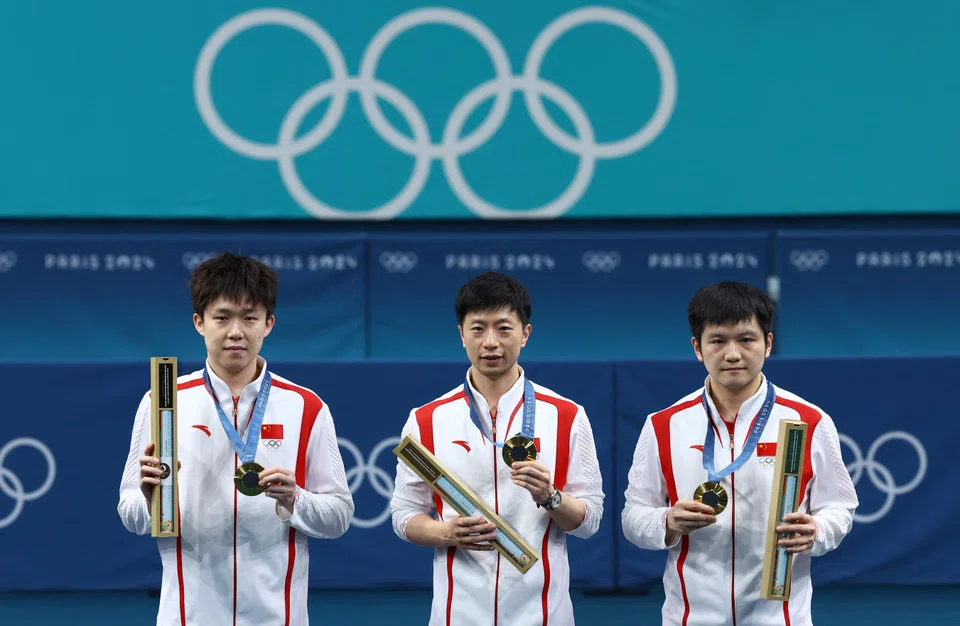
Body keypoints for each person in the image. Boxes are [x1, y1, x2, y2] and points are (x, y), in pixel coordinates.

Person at [117, 252, 354, 626]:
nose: (236, 332)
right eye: (222, 317)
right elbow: (130, 513)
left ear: (269, 324)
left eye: (249, 318)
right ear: (199, 322)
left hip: (279, 617)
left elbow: (339, 516)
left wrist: (296, 500)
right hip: (187, 616)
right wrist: (148, 500)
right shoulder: (164, 402)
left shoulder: (306, 407)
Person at [621, 281, 858, 626]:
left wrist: (818, 530)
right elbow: (633, 516)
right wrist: (667, 522)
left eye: (746, 339)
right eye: (717, 341)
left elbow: (841, 506)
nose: (733, 354)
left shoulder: (808, 420)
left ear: (768, 343)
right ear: (697, 348)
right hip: (689, 617)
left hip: (782, 617)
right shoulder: (663, 425)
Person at [390, 271, 604, 625]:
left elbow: (590, 520)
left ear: (525, 334)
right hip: (457, 614)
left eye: (504, 328)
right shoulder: (426, 420)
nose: (491, 342)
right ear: (461, 335)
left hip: (544, 614)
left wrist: (551, 497)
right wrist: (446, 533)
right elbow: (403, 514)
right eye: (478, 328)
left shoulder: (567, 416)